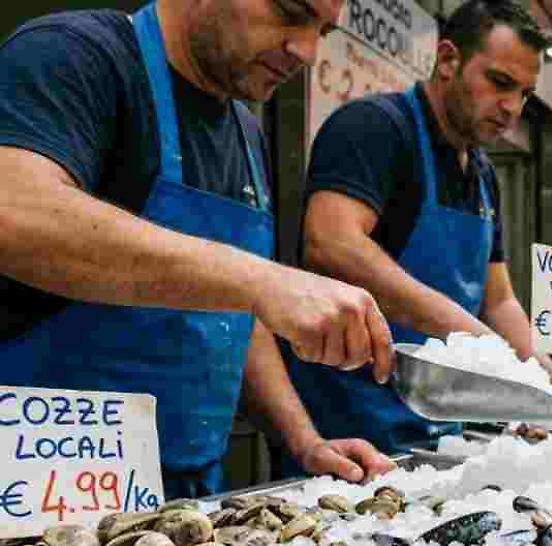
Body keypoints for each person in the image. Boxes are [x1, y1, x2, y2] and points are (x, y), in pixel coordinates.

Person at [0, 0, 397, 497]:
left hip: (190, 497)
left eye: (322, 30)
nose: (307, 50)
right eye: (289, 11)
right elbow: (13, 210)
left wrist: (305, 440)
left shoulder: (247, 133)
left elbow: (233, 313)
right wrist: (263, 280)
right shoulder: (74, 55)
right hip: (39, 492)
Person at [284, 0, 552, 454]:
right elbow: (331, 243)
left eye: (525, 94)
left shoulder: (482, 174)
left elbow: (499, 301)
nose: (512, 107)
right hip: (347, 431)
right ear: (448, 60)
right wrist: (461, 328)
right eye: (500, 83)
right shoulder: (374, 128)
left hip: (440, 433)